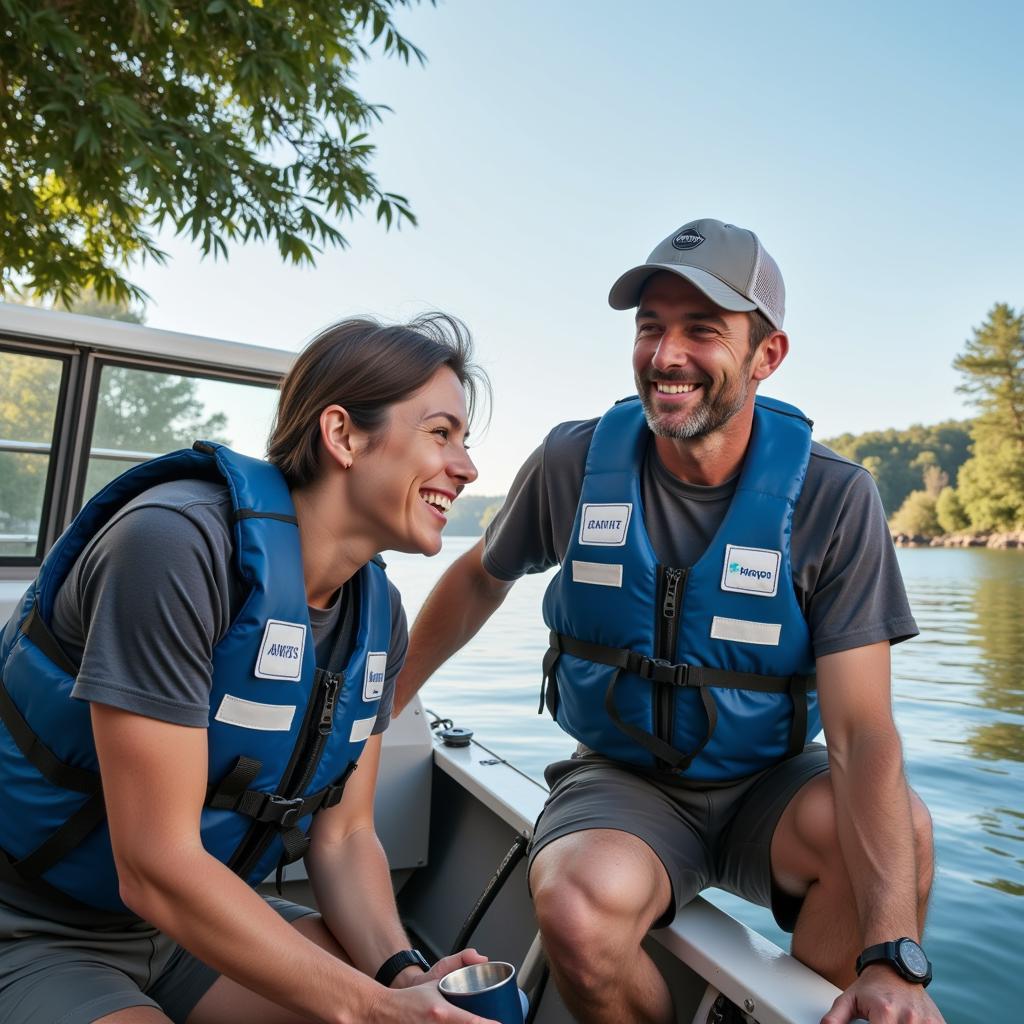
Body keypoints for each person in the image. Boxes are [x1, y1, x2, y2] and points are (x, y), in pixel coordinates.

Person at [394, 221, 945, 1024]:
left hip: (770, 783)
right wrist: (383, 700)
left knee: (909, 832)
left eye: (702, 330)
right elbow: (481, 577)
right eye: (651, 326)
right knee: (577, 911)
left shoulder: (835, 498)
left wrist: (893, 955)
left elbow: (863, 734)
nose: (666, 354)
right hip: (623, 777)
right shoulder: (575, 462)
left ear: (768, 356)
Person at [0, 315, 502, 1024]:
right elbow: (155, 866)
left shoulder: (377, 614)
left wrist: (404, 979)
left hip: (193, 929)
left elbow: (347, 835)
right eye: (441, 433)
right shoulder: (174, 548)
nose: (467, 468)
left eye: (465, 442)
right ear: (344, 435)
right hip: (35, 926)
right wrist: (374, 1010)